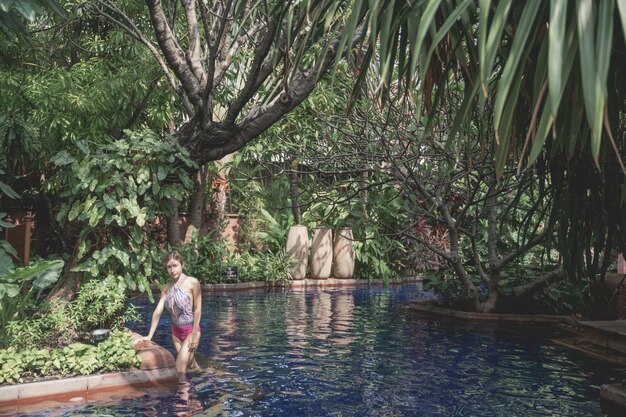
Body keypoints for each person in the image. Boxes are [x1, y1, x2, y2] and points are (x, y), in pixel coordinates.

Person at [138, 250, 202, 380]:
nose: (172, 270)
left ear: (182, 265)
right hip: (176, 333)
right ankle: (207, 377)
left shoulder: (193, 282)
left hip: (191, 330)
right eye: (169, 267)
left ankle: (183, 398)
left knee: (179, 369)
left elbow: (198, 309)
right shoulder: (167, 287)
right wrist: (150, 335)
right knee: (191, 365)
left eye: (175, 265)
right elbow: (158, 311)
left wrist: (195, 333)